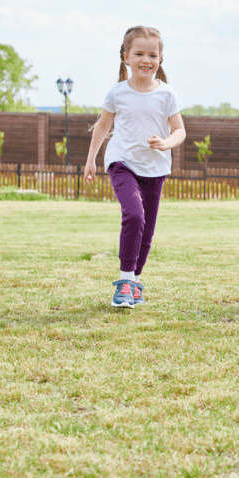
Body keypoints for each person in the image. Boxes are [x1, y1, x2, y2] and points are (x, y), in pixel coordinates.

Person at [84, 26, 186, 308]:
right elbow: (103, 125)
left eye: (152, 54)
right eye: (139, 53)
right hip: (122, 163)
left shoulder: (167, 94)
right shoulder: (117, 93)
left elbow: (180, 130)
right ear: (126, 57)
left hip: (155, 168)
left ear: (160, 59)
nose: (146, 60)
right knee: (134, 215)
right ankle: (125, 281)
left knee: (147, 229)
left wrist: (167, 143)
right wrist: (91, 159)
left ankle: (136, 280)